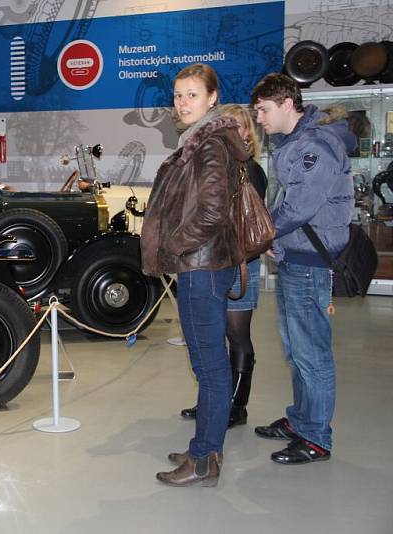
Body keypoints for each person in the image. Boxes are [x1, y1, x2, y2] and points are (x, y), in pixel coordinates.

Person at [141, 63, 249, 486]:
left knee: (210, 367)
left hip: (202, 266)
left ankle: (204, 460)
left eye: (191, 94)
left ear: (212, 98)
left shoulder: (209, 144)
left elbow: (211, 211)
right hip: (201, 265)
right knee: (208, 365)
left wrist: (173, 243)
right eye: (178, 94)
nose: (182, 102)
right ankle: (204, 446)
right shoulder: (202, 140)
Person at [250, 73, 354, 464]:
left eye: (264, 109)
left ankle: (316, 438)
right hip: (296, 257)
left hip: (310, 262)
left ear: (288, 104)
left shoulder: (316, 147)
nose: (259, 117)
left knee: (312, 354)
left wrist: (262, 235)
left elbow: (300, 207)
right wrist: (276, 241)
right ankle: (301, 420)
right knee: (296, 351)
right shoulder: (294, 144)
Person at [179, 104, 268, 428]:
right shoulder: (218, 166)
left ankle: (236, 405)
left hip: (242, 263)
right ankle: (215, 401)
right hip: (217, 262)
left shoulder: (250, 170)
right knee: (212, 338)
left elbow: (245, 219)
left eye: (238, 126)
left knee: (236, 334)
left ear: (247, 132)